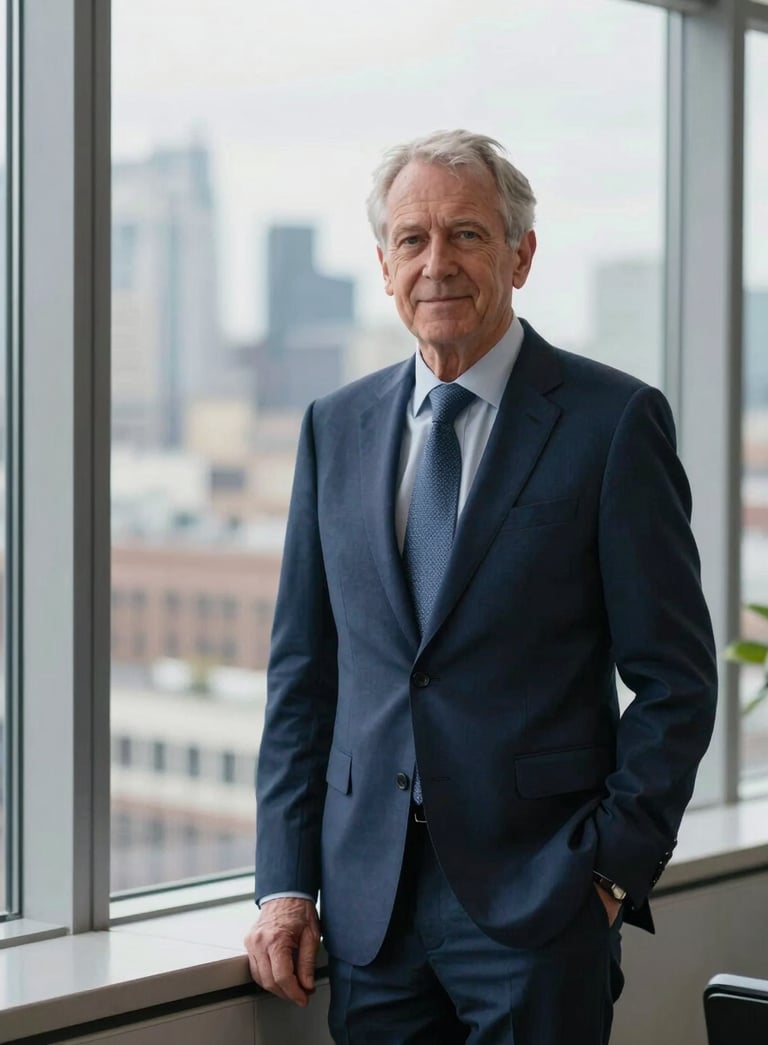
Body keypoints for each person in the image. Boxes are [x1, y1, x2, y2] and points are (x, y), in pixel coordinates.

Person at [244, 129, 717, 1045]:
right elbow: (303, 676)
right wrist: (286, 882)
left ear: (521, 254)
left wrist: (609, 872)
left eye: (466, 234)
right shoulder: (332, 427)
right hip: (369, 907)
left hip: (541, 905)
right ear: (383, 267)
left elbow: (676, 680)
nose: (438, 263)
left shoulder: (612, 422)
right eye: (413, 240)